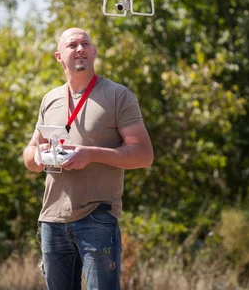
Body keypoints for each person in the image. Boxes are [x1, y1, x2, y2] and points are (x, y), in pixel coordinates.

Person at [23, 27, 154, 290]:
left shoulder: (118, 95)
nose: (80, 48)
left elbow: (143, 155)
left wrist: (90, 155)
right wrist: (42, 155)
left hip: (97, 217)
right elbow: (29, 157)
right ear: (59, 57)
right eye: (72, 45)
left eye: (86, 43)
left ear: (94, 52)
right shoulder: (50, 99)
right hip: (52, 219)